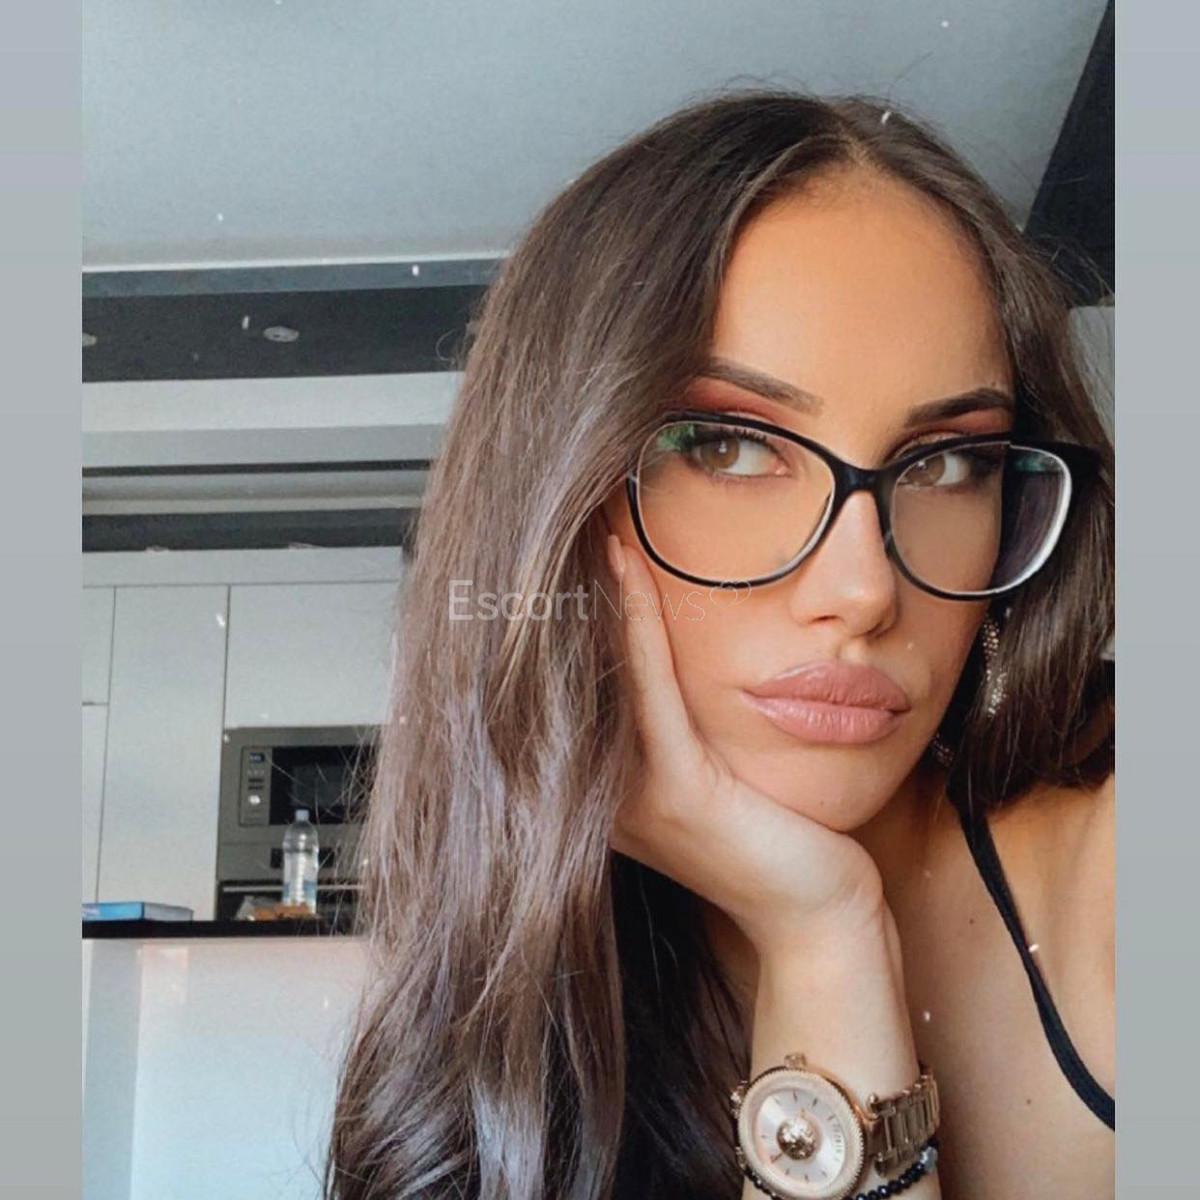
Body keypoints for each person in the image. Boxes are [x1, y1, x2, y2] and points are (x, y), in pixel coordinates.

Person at [325, 89, 1114, 1200]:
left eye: (946, 462)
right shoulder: (516, 971)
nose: (864, 589)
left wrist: (817, 938)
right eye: (730, 448)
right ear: (555, 505)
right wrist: (821, 932)